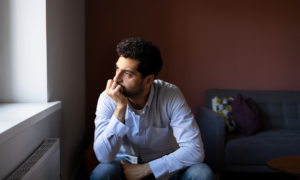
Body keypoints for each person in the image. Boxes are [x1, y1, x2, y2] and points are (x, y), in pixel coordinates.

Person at [90, 38, 216, 180]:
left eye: (127, 74)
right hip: (124, 167)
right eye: (117, 69)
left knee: (202, 174)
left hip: (167, 169)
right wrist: (120, 108)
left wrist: (146, 169)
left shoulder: (170, 94)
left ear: (148, 80)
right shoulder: (108, 98)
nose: (116, 79)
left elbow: (195, 150)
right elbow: (103, 156)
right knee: (102, 173)